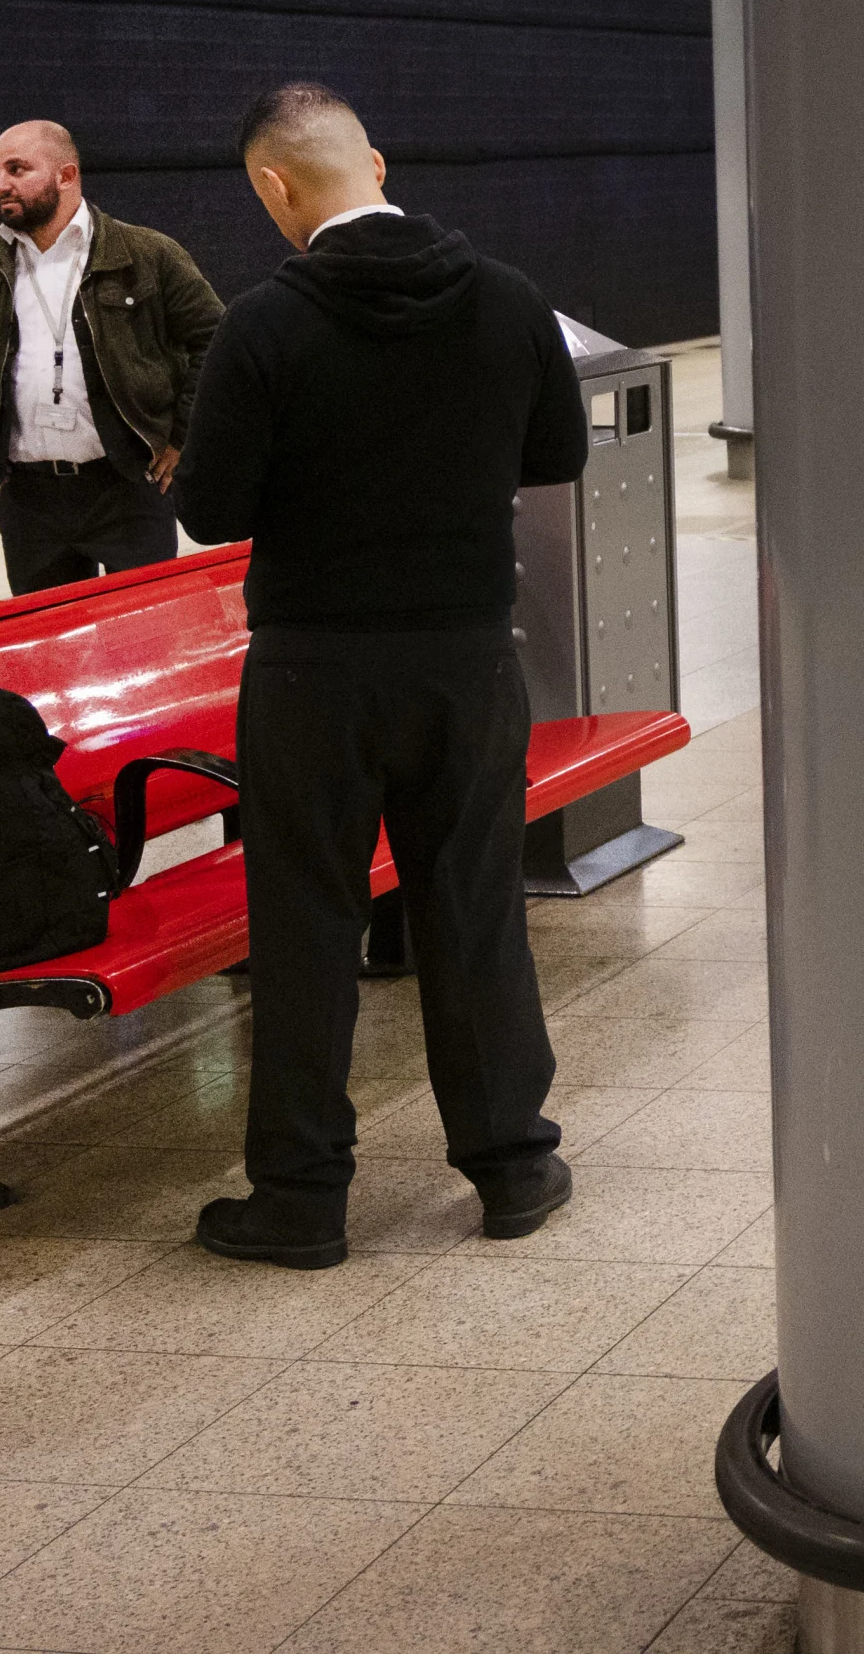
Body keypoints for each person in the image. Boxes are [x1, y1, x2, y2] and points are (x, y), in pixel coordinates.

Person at [176, 84, 590, 1267]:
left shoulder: (263, 324)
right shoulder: (509, 299)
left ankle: (302, 1198)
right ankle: (513, 1161)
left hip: (315, 669)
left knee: (306, 919)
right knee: (474, 904)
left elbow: (212, 510)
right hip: (466, 655)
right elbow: (554, 452)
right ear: (378, 163)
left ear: (274, 186)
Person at [0, 121, 226, 594]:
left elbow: (216, 339)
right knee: (47, 654)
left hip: (126, 489)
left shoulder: (146, 253)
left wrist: (180, 439)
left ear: (66, 175)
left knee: (141, 646)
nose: (1, 185)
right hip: (28, 499)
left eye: (17, 169)